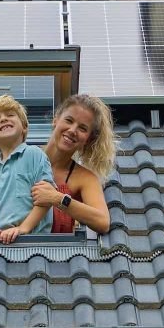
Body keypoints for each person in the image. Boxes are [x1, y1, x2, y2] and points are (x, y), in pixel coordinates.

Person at [30, 94, 114, 234]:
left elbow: (103, 222)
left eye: (82, 128)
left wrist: (56, 198)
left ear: (88, 139)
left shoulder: (85, 178)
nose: (72, 130)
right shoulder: (24, 157)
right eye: (69, 120)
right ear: (56, 119)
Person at [0, 95, 54, 245]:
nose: (3, 119)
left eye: (10, 115)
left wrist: (23, 229)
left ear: (24, 127)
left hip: (34, 240)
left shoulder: (34, 154)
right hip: (1, 242)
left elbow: (47, 198)